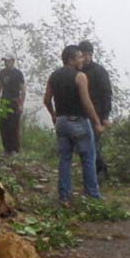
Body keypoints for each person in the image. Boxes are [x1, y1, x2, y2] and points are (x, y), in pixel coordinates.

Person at [43, 45, 105, 203]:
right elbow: (86, 102)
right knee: (88, 157)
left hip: (62, 122)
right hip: (79, 121)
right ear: (70, 60)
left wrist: (53, 115)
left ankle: (64, 195)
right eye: (79, 57)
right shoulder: (80, 76)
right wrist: (97, 122)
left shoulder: (54, 76)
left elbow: (46, 99)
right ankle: (92, 194)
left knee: (65, 158)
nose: (82, 59)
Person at [79, 40, 112, 182]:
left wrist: (105, 117)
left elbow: (107, 94)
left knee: (92, 144)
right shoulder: (77, 71)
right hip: (80, 114)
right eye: (82, 55)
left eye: (87, 54)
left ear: (91, 55)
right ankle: (91, 173)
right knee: (83, 146)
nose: (85, 58)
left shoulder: (99, 71)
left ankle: (100, 171)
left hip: (97, 114)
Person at [0, 56, 25, 155]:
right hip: (4, 102)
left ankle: (14, 149)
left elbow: (23, 90)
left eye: (8, 61)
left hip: (14, 101)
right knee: (3, 125)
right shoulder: (2, 72)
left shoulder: (18, 73)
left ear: (13, 61)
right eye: (5, 61)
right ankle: (6, 149)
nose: (6, 63)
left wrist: (21, 104)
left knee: (13, 126)